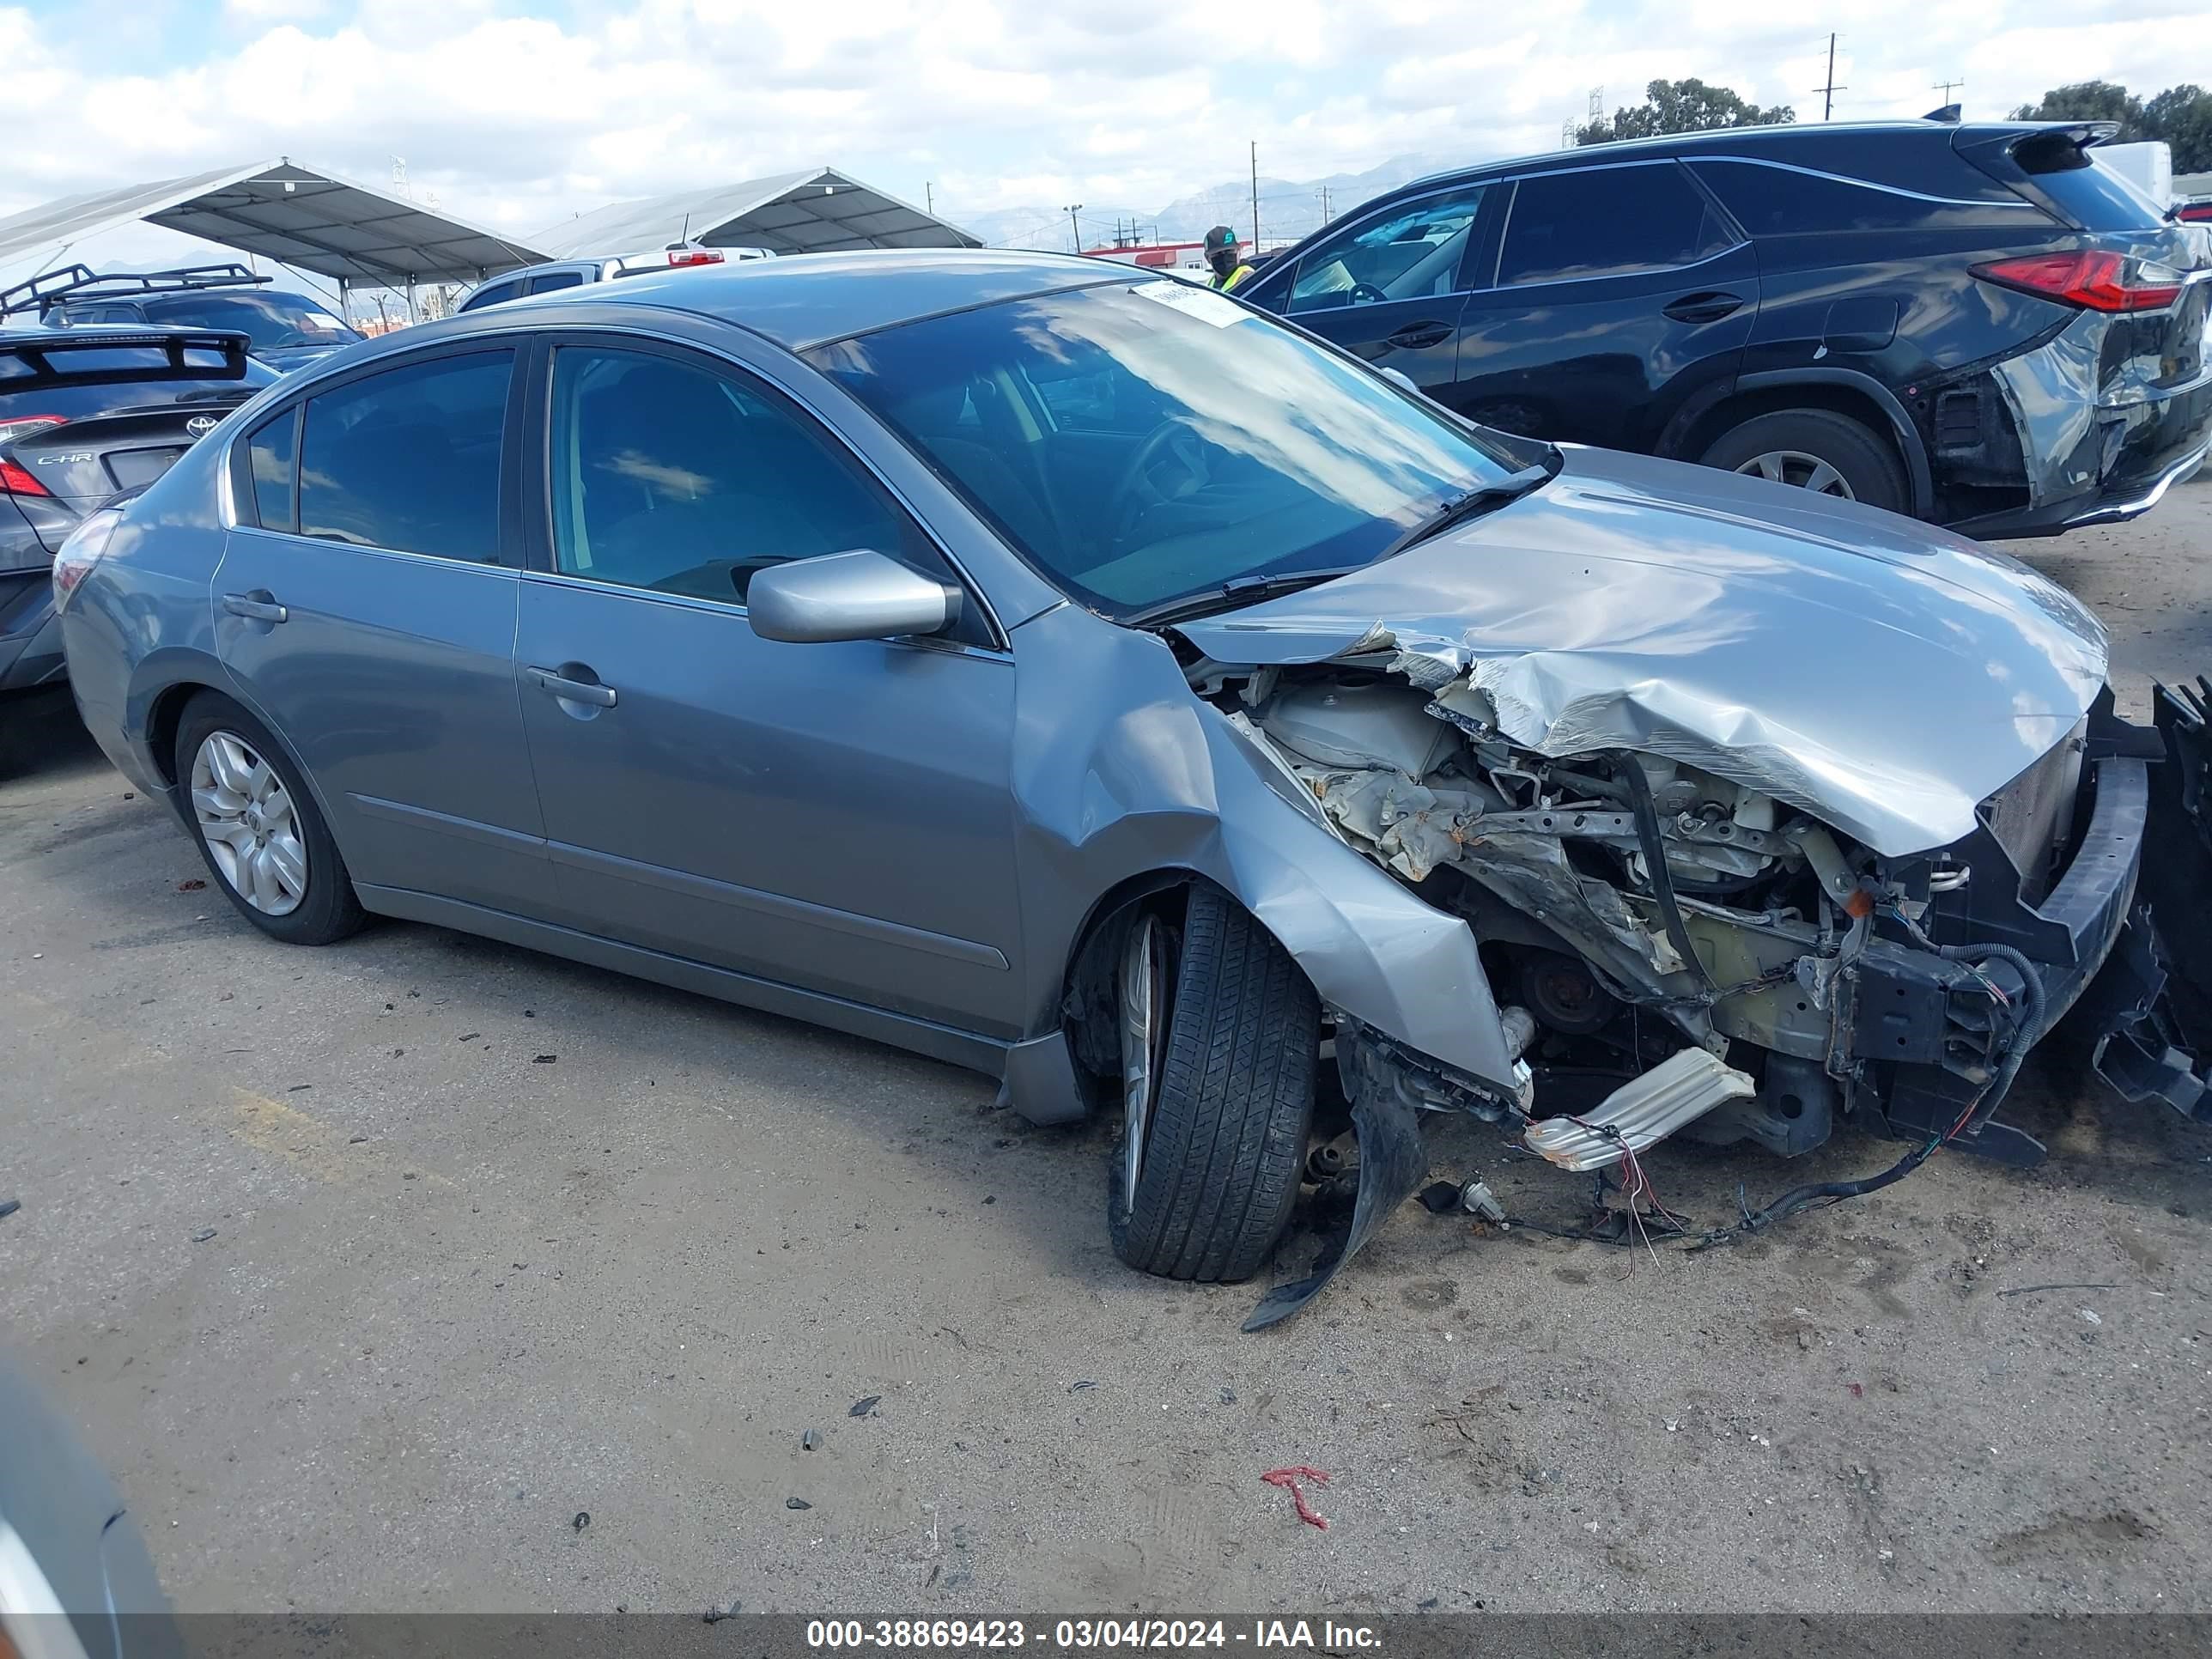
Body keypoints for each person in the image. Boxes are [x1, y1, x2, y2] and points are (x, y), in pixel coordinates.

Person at [1203, 225, 1256, 293]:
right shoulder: (1211, 282)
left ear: (1239, 251)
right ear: (1207, 258)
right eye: (1217, 253)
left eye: (1229, 251)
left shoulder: (1247, 279)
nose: (1224, 257)